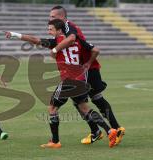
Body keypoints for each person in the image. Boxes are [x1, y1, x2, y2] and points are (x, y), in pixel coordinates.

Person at [5, 19, 117, 148]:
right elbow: (95, 49)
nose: (49, 31)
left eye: (51, 29)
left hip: (69, 81)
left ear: (59, 30)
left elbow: (34, 39)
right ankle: (110, 131)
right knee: (84, 108)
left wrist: (15, 34)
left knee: (52, 108)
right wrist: (88, 63)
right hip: (80, 79)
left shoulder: (56, 42)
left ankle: (55, 141)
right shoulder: (78, 40)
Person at [49, 6, 125, 145]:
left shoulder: (68, 26)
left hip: (85, 68)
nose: (50, 19)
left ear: (62, 17)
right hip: (84, 67)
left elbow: (72, 39)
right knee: (82, 102)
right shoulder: (66, 28)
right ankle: (101, 131)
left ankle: (114, 129)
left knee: (90, 100)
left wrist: (55, 50)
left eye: (53, 17)